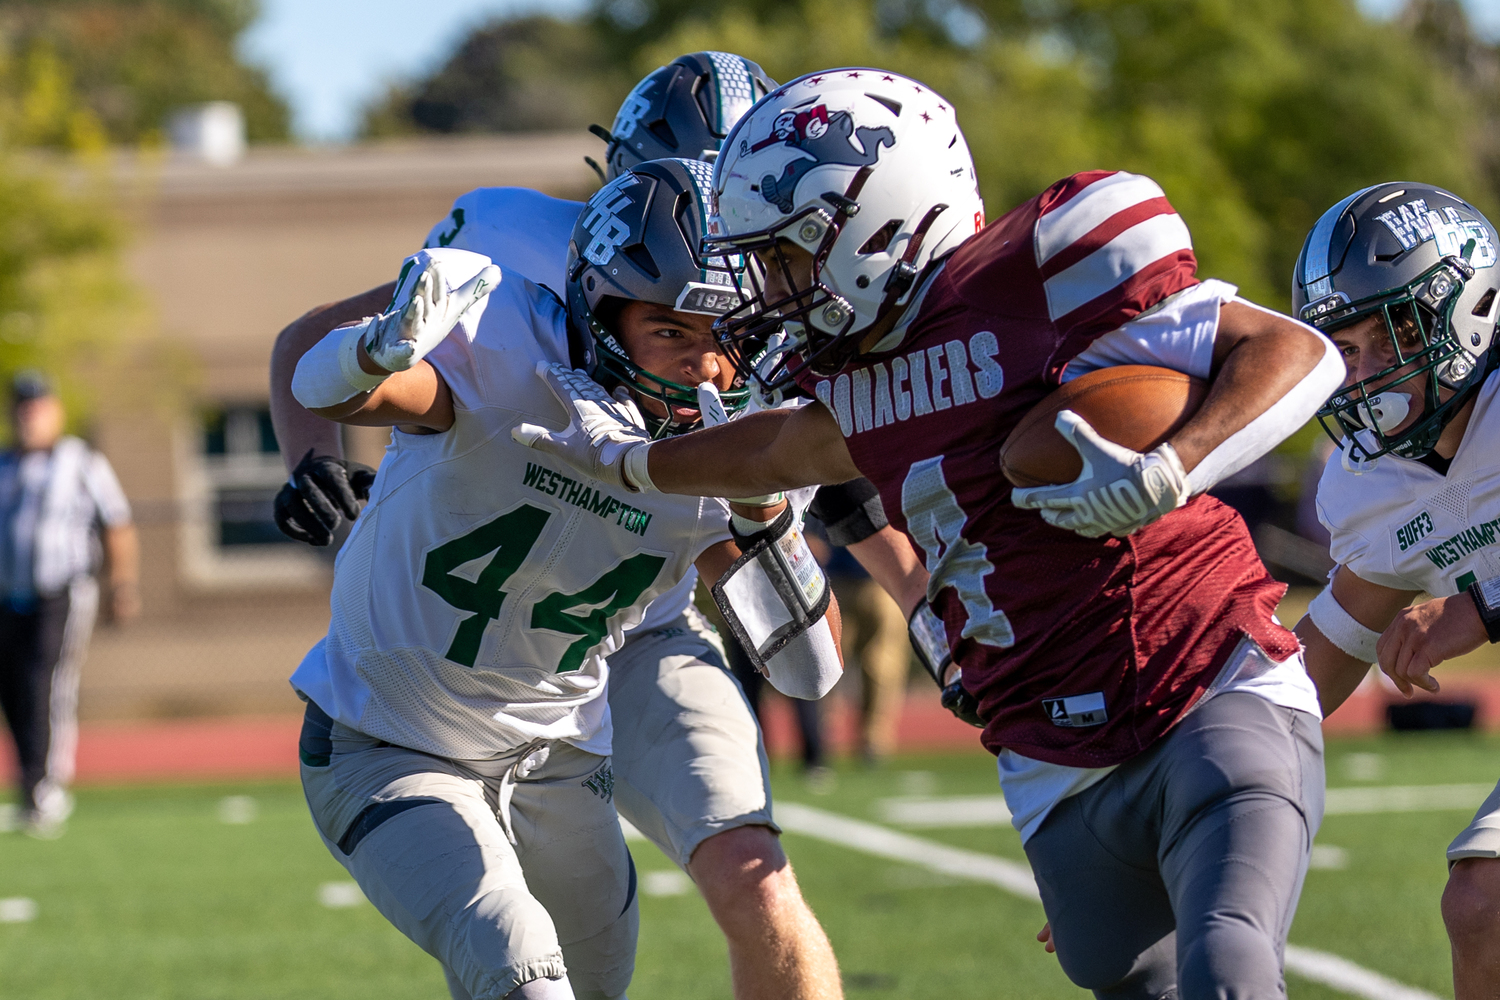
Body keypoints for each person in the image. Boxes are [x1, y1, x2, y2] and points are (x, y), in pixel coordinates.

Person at [514, 68, 1349, 999]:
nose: (767, 291)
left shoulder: (1044, 274)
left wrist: (1174, 465)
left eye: (786, 257)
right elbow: (775, 453)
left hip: (1205, 674)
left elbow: (1296, 350)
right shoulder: (854, 371)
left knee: (1231, 969)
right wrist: (630, 464)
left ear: (878, 220)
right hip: (1047, 751)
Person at [271, 52, 923, 1000]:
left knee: (746, 878)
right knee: (512, 954)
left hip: (608, 659)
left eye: (730, 329)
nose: (708, 357)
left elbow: (819, 627)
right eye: (670, 327)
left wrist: (779, 514)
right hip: (418, 701)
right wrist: (340, 414)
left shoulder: (751, 368)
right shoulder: (504, 296)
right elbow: (327, 363)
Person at [1288, 182, 1500, 998]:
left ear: (1468, 310)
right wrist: (1196, 785)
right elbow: (1334, 639)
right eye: (1346, 347)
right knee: (1484, 905)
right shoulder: (1374, 481)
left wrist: (1481, 608)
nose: (1365, 373)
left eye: (1392, 336)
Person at [0, 370, 138, 838]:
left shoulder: (79, 461)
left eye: (36, 407)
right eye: (21, 408)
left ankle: (48, 786)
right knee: (15, 690)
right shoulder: (5, 465)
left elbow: (116, 522)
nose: (27, 417)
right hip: (8, 596)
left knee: (47, 683)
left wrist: (122, 584)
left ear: (55, 411)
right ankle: (28, 783)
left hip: (61, 590)